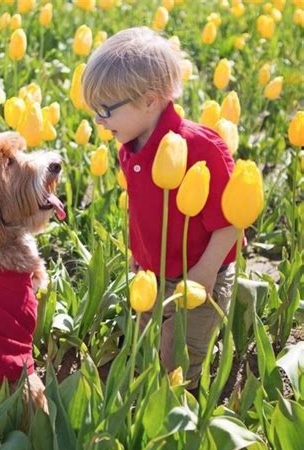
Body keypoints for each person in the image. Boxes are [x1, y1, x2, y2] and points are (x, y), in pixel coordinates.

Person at [82, 27, 239, 390]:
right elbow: (143, 211)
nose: (98, 121)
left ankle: (182, 416)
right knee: (145, 349)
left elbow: (230, 221)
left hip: (199, 276)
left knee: (176, 362)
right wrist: (138, 256)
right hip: (154, 274)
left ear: (150, 101)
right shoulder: (131, 146)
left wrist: (205, 271)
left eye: (105, 110)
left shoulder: (201, 148)